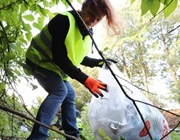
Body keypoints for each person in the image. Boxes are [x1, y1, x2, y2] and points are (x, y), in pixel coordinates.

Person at [25, 0, 119, 139]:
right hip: (39, 61)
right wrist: (85, 79)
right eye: (92, 15)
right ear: (84, 6)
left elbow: (79, 57)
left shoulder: (87, 33)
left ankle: (72, 136)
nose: (93, 21)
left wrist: (100, 62)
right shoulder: (64, 20)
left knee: (70, 94)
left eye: (98, 19)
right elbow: (60, 57)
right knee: (60, 91)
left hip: (55, 68)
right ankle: (38, 137)